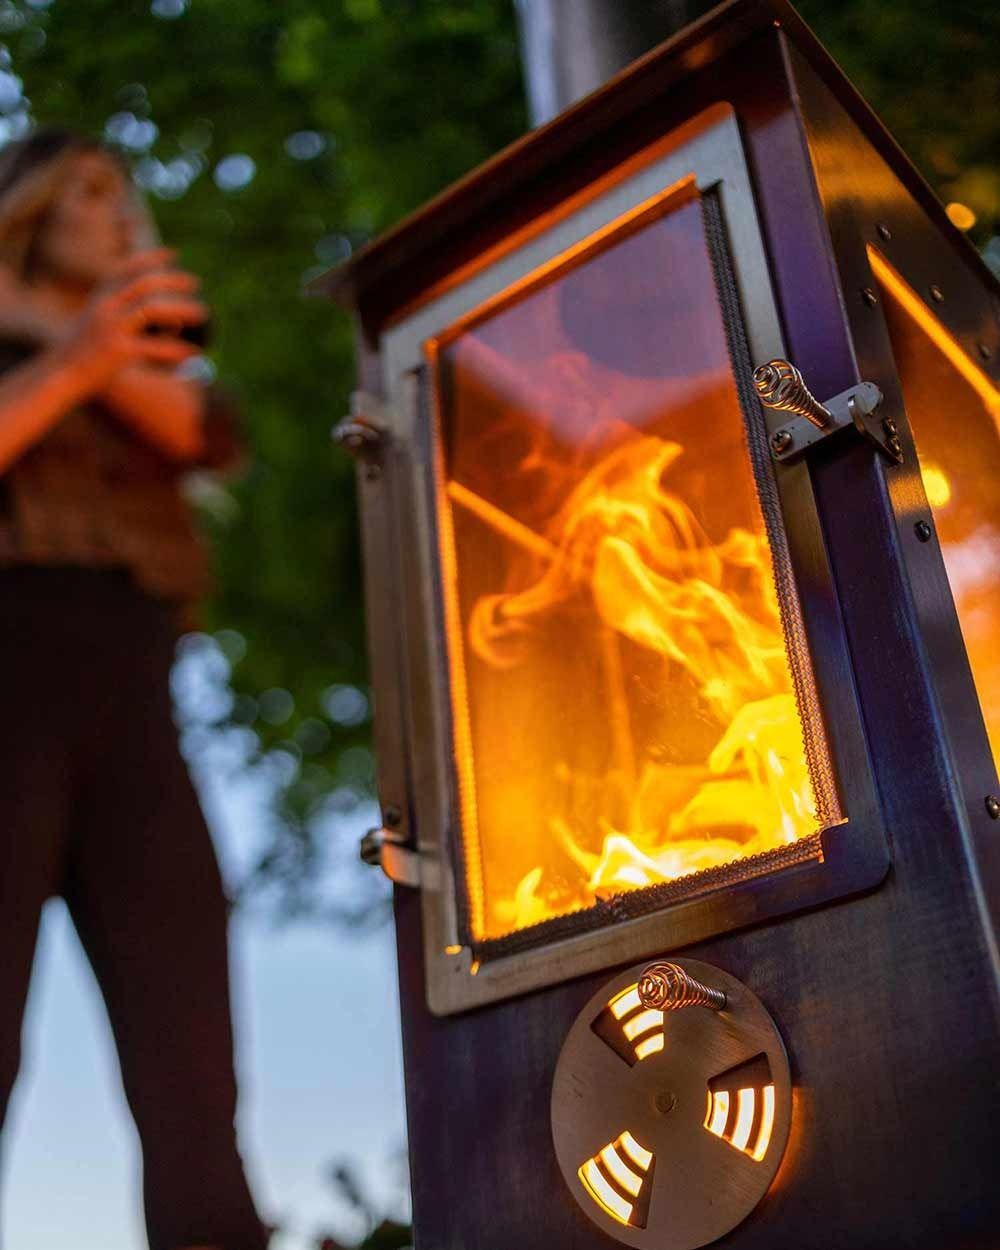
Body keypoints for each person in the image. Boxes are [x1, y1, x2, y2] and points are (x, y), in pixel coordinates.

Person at [0, 128, 270, 1250]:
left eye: (124, 194)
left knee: (191, 1064)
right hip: (5, 679)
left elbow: (207, 434)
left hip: (136, 701)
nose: (116, 210)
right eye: (88, 190)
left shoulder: (148, 359)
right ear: (29, 206)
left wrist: (57, 329)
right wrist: (63, 352)